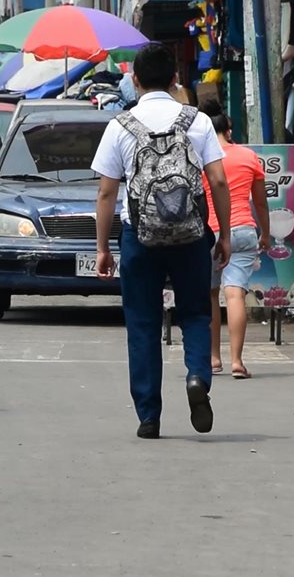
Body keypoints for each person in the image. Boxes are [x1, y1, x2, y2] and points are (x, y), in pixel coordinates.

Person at [92, 43, 233, 440]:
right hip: (191, 235)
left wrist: (103, 248)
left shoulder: (120, 125)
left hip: (139, 236)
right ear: (175, 79)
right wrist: (221, 233)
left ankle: (149, 416)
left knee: (142, 324)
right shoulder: (197, 121)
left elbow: (106, 193)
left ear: (134, 80)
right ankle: (198, 378)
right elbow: (218, 180)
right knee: (195, 314)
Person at [199, 103, 270, 378]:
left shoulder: (201, 156)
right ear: (229, 130)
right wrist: (265, 233)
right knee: (235, 294)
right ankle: (237, 361)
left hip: (208, 231)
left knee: (210, 296)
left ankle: (213, 358)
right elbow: (261, 204)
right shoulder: (248, 156)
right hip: (242, 229)